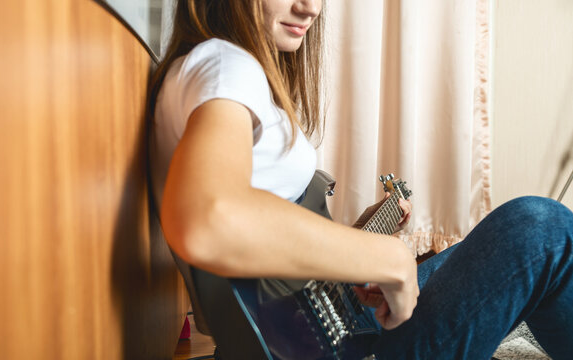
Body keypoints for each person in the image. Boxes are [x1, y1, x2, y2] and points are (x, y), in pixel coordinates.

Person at [147, 1, 573, 359]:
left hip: (327, 322)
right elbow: (209, 217)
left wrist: (358, 240)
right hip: (313, 345)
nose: (311, 7)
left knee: (499, 246)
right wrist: (387, 258)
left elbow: (272, 255)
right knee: (542, 230)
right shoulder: (225, 63)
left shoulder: (216, 68)